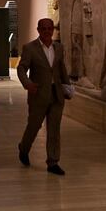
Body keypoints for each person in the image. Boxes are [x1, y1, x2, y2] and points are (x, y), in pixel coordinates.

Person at [17, 18, 71, 175]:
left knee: (54, 129)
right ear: (38, 30)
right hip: (38, 94)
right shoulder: (30, 48)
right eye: (44, 28)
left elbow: (62, 69)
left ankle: (53, 162)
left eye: (50, 28)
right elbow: (22, 68)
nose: (47, 31)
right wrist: (27, 84)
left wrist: (67, 88)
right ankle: (24, 148)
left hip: (56, 95)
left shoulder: (59, 48)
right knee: (33, 126)